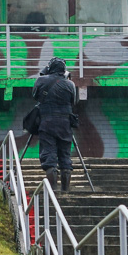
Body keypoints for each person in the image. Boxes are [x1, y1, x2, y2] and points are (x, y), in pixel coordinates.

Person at [32, 57, 78, 192]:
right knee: (65, 156)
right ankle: (65, 191)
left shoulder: (41, 80)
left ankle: (53, 191)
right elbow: (73, 101)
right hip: (65, 124)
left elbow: (35, 95)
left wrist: (43, 75)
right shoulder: (70, 84)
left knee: (49, 155)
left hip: (47, 122)